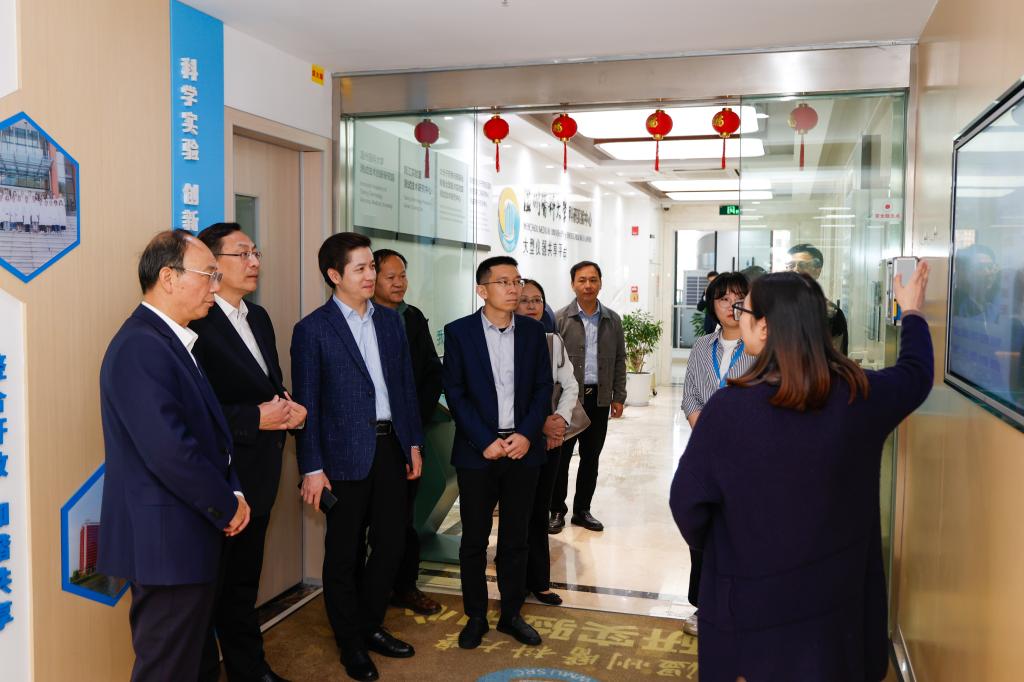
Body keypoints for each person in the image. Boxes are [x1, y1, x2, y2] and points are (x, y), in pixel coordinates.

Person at [670, 262, 933, 682]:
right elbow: (916, 375)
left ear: (765, 328)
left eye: (745, 310)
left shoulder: (729, 410)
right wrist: (913, 312)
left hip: (753, 604)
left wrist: (728, 546)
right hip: (836, 605)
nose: (738, 316)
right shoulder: (860, 395)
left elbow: (687, 503)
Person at [98, 230, 251, 682]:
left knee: (190, 664)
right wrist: (225, 504)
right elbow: (170, 451)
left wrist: (234, 491)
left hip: (185, 537)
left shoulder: (173, 340)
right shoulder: (141, 346)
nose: (215, 287)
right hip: (167, 544)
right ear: (168, 277)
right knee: (166, 669)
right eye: (208, 275)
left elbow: (210, 435)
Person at [291, 233, 424, 682]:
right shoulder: (312, 330)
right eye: (361, 269)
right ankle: (350, 642)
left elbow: (404, 388)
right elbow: (306, 405)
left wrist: (413, 443)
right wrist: (312, 467)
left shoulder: (390, 322)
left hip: (390, 447)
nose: (371, 276)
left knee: (391, 545)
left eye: (372, 267)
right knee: (343, 553)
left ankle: (369, 625)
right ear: (335, 275)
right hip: (341, 456)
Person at [190, 223, 305, 682]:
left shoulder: (258, 317)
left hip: (260, 473)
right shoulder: (196, 322)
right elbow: (193, 408)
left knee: (242, 585)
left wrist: (289, 409)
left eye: (256, 252)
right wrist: (255, 418)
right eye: (242, 254)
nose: (254, 262)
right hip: (218, 479)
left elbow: (269, 387)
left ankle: (249, 669)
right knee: (207, 591)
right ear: (212, 265)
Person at [442, 256, 553, 650]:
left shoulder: (532, 332)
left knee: (516, 539)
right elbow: (455, 392)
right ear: (482, 289)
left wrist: (526, 434)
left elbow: (543, 388)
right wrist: (484, 439)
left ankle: (511, 614)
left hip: (523, 450)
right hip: (478, 453)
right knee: (474, 539)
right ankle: (475, 616)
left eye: (516, 281)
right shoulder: (459, 332)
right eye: (503, 281)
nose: (513, 288)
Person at [678, 271, 757, 637]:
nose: (731, 306)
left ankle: (741, 604)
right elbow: (690, 396)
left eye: (739, 298)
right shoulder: (701, 346)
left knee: (742, 533)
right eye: (723, 299)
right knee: (703, 531)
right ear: (713, 305)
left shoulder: (761, 348)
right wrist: (708, 433)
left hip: (748, 459)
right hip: (706, 457)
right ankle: (703, 604)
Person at [372, 248, 444, 616]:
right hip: (366, 439)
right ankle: (370, 590)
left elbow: (432, 373)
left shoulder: (412, 317)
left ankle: (405, 586)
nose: (400, 283)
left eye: (403, 275)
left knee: (403, 518)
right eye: (391, 277)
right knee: (365, 523)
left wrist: (415, 419)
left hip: (408, 435)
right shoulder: (359, 318)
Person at [516, 278, 580, 607]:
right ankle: (514, 583)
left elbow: (570, 385)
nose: (531, 306)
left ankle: (539, 582)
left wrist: (558, 422)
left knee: (540, 510)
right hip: (516, 441)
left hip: (550, 441)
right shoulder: (503, 340)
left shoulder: (553, 341)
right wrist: (540, 423)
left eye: (537, 300)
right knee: (517, 514)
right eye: (524, 300)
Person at [550, 260, 627, 533]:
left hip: (599, 399)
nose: (588, 285)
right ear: (573, 284)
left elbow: (620, 359)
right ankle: (556, 510)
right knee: (561, 459)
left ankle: (582, 510)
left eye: (593, 280)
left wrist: (619, 395)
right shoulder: (560, 319)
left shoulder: (612, 320)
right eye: (582, 280)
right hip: (568, 402)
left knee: (591, 457)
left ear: (600, 283)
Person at [786, 243, 849, 354]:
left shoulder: (831, 314)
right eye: (791, 265)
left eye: (802, 265)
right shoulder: (775, 308)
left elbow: (837, 358)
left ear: (817, 271)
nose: (796, 270)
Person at [696, 270, 720, 336]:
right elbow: (699, 308)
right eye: (710, 281)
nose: (711, 283)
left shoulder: (723, 291)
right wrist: (705, 297)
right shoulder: (706, 291)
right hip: (709, 326)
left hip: (720, 325)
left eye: (713, 281)